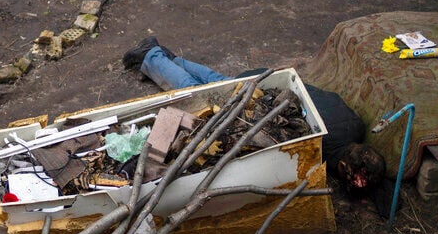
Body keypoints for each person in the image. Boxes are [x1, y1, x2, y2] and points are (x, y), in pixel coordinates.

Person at [122, 35, 391, 213]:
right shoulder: (321, 143)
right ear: (342, 166)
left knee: (216, 81)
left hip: (265, 79)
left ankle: (170, 60)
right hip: (260, 92)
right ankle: (152, 55)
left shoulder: (356, 127)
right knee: (196, 92)